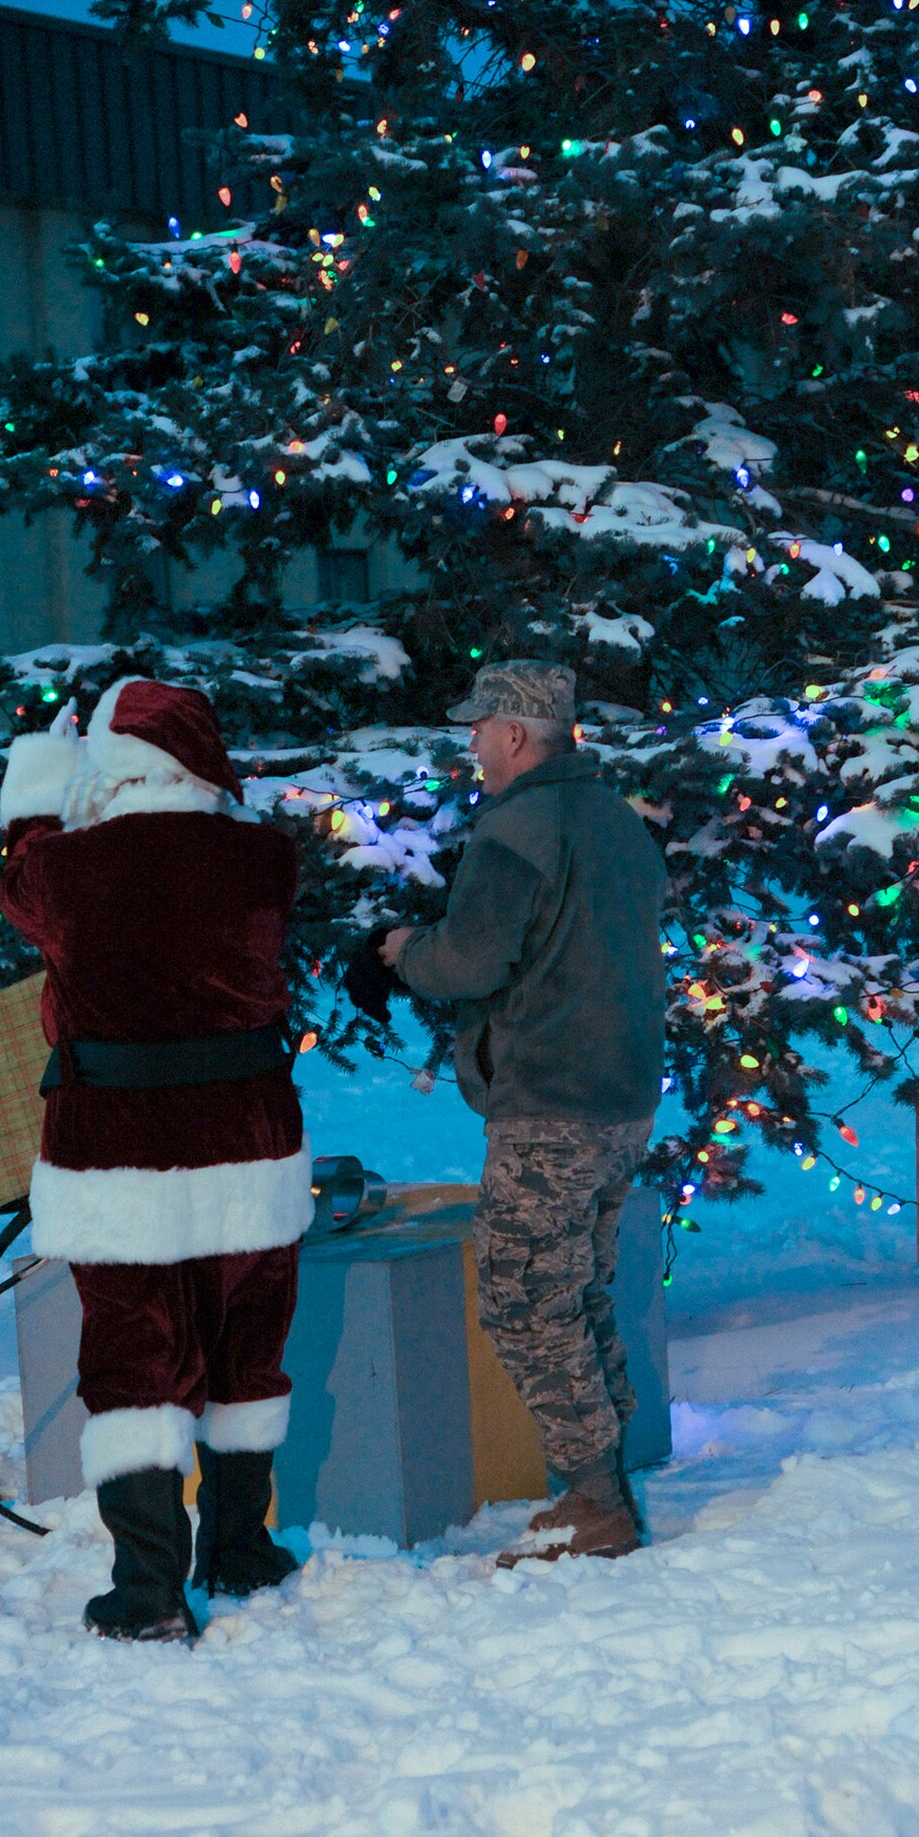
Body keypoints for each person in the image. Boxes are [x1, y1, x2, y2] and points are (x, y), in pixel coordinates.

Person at [0, 679, 314, 1641]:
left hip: (118, 1147)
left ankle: (147, 1594)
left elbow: (16, 883)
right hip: (247, 1139)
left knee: (136, 1353)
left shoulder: (66, 868)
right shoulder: (264, 857)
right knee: (243, 1343)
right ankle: (240, 1550)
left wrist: (39, 791)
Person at [375, 661, 666, 1565]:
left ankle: (593, 1500)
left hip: (550, 1103)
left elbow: (468, 961)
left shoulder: (518, 828)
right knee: (575, 1290)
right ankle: (601, 1480)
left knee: (523, 1302)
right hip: (620, 1097)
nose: (469, 745)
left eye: (477, 728)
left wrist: (402, 952)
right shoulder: (616, 820)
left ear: (513, 735)